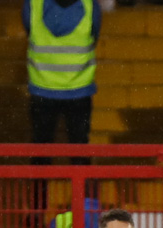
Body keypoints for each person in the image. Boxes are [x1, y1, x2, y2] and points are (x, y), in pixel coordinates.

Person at [23, 0, 100, 147]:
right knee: (79, 149)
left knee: (41, 148)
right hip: (79, 90)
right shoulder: (90, 5)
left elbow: (29, 30)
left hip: (42, 89)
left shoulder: (33, 4)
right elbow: (95, 34)